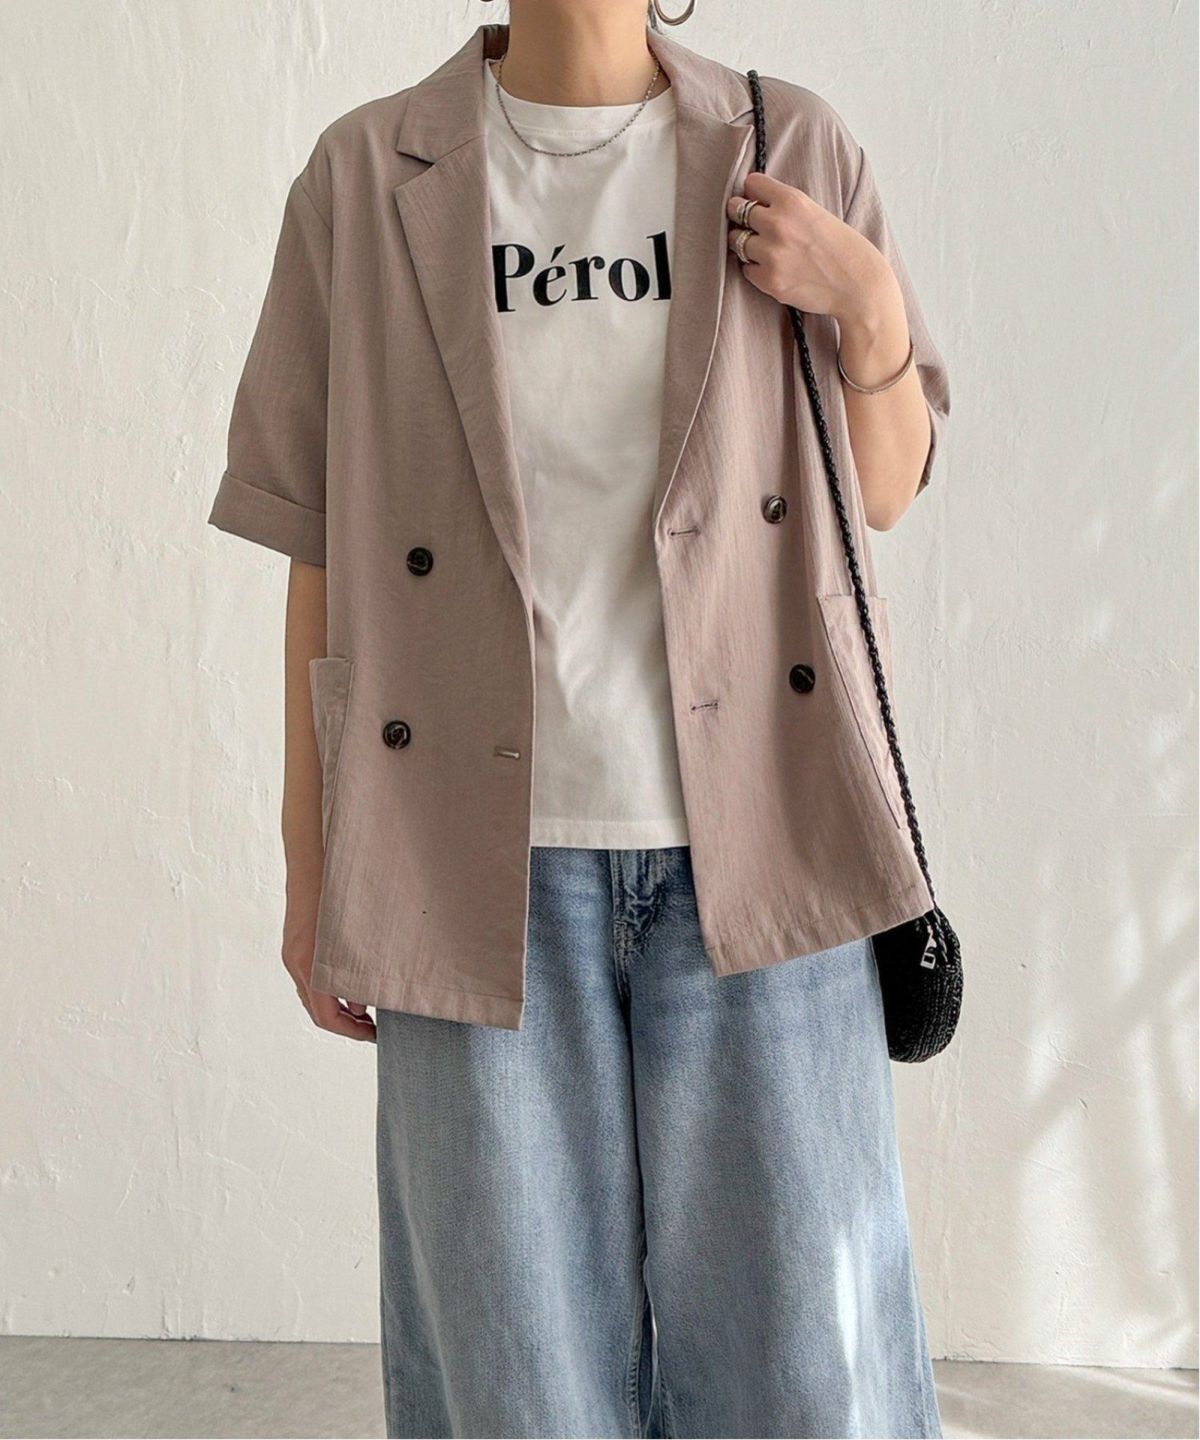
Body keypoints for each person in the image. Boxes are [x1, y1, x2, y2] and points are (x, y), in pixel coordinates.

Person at [207, 2, 951, 1435]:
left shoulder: (788, 143)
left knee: (810, 1382)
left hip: (765, 847)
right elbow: (321, 554)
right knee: (513, 1387)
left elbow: (885, 488)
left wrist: (868, 309)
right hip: (470, 862)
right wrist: (315, 872)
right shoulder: (366, 174)